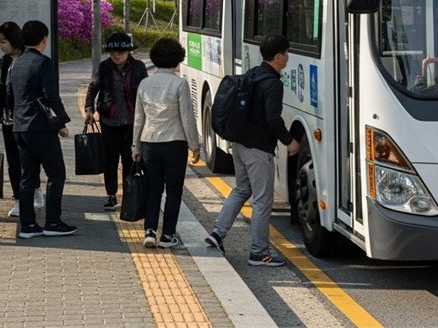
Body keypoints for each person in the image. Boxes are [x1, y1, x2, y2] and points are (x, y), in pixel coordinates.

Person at [204, 34, 299, 267]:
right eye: (286, 53)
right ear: (278, 57)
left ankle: (217, 233)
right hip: (258, 150)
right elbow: (273, 119)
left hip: (239, 144)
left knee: (241, 190)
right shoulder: (273, 83)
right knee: (262, 201)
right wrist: (290, 141)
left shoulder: (253, 74)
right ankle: (259, 252)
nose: (288, 57)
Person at [8, 20, 76, 239]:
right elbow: (50, 96)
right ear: (44, 39)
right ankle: (52, 222)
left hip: (20, 128)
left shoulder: (16, 63)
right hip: (40, 128)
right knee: (56, 173)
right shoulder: (43, 63)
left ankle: (27, 225)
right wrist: (61, 123)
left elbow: (10, 95)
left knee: (28, 177)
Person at [131, 38, 200, 249]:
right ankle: (168, 235)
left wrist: (136, 146)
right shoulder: (179, 83)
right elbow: (187, 117)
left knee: (153, 189)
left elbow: (139, 118)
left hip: (150, 142)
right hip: (175, 143)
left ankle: (149, 232)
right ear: (177, 59)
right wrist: (194, 145)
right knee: (174, 191)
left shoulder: (145, 83)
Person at [84, 32, 149, 210]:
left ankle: (130, 195)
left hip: (132, 122)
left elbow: (146, 91)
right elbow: (93, 87)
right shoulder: (104, 67)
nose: (116, 55)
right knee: (110, 160)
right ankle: (111, 195)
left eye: (120, 52)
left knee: (130, 159)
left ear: (129, 52)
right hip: (109, 120)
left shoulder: (138, 67)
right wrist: (89, 108)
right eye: (113, 52)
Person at [0, 21, 25, 218]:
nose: (1, 46)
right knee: (14, 161)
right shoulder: (3, 62)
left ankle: (32, 193)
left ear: (14, 39)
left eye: (4, 41)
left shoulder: (29, 58)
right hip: (9, 120)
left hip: (27, 120)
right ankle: (18, 199)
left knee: (29, 160)